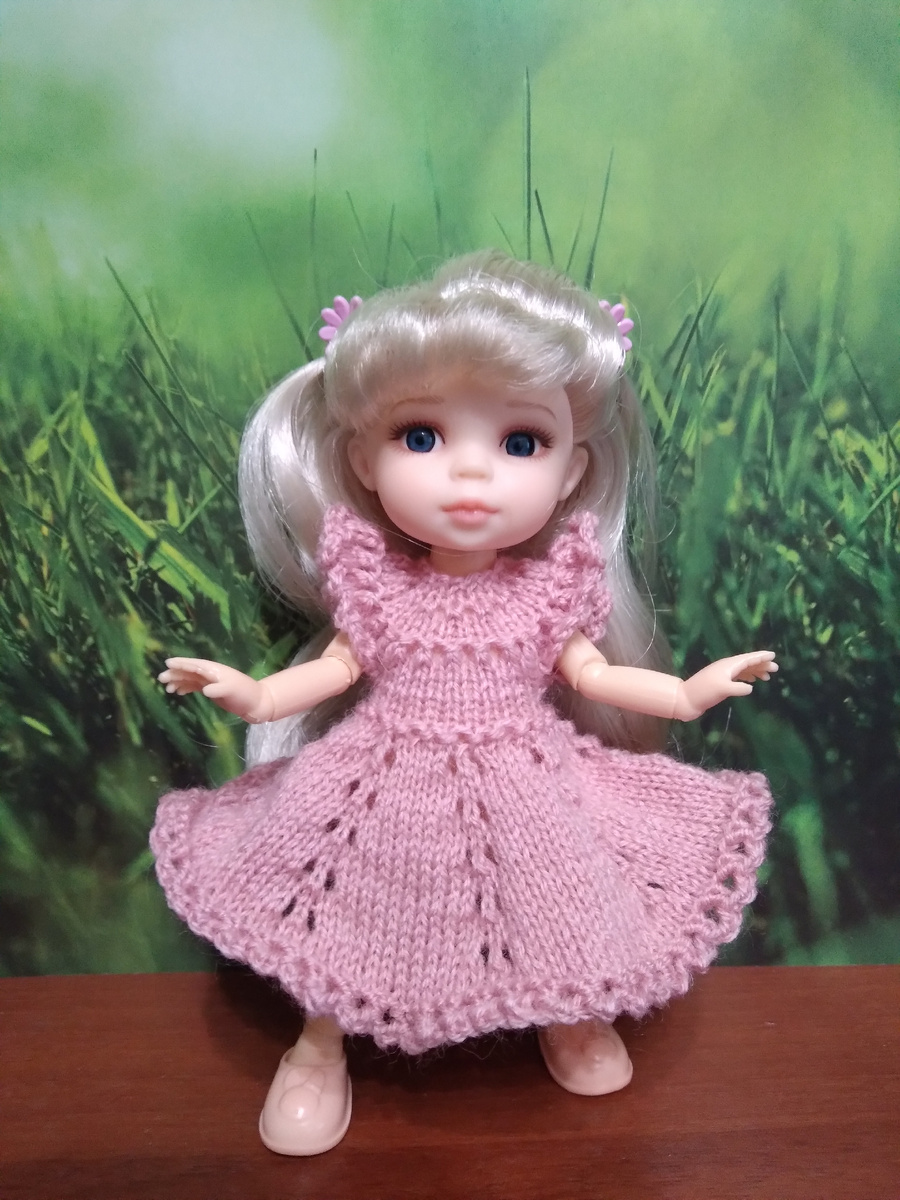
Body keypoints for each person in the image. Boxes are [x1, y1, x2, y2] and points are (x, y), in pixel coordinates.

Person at [151, 252, 775, 1155]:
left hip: (526, 781)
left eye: (521, 443)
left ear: (571, 472)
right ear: (363, 459)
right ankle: (320, 1044)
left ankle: (569, 1011)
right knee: (347, 907)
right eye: (422, 437)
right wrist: (254, 694)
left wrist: (684, 694)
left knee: (555, 892)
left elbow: (592, 674)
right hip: (380, 783)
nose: (471, 475)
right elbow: (334, 669)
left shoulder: (547, 592)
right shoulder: (378, 589)